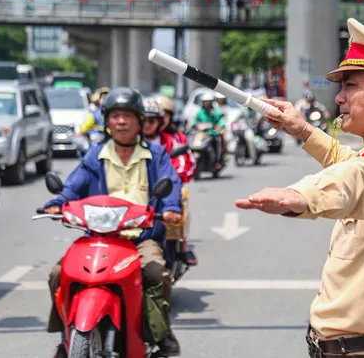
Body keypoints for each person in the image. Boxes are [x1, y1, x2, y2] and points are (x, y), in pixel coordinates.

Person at [235, 18, 364, 358]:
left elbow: (360, 178)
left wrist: (303, 195)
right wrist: (302, 130)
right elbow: (353, 162)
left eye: (350, 86)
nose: (340, 97)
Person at [42, 87, 183, 358]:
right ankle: (65, 337)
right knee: (58, 275)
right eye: (115, 116)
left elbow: (172, 184)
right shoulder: (95, 156)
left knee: (156, 274)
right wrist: (58, 202)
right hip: (98, 238)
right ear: (106, 121)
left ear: (140, 121)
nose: (121, 122)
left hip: (140, 238)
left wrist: (171, 208)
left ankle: (160, 332)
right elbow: (73, 185)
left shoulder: (156, 156)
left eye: (127, 116)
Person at [145, 96, 198, 266]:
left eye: (153, 119)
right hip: (139, 190)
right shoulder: (132, 140)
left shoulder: (173, 139)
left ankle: (182, 243)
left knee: (180, 198)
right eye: (143, 119)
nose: (147, 124)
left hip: (166, 188)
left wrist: (171, 182)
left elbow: (183, 165)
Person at [192, 92, 227, 167]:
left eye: (208, 102)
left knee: (219, 139)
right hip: (203, 134)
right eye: (205, 102)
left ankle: (218, 159)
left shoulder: (216, 111)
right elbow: (194, 121)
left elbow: (221, 121)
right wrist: (193, 125)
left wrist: (219, 126)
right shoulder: (200, 112)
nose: (207, 103)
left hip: (213, 133)